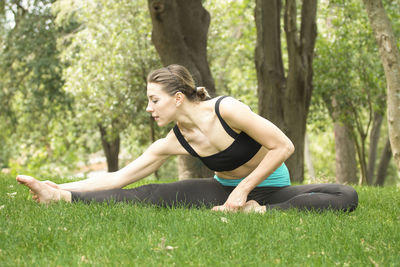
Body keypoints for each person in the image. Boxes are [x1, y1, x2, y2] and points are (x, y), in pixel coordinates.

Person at [16, 64, 358, 213]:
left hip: (271, 188)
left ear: (178, 97)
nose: (149, 108)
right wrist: (62, 188)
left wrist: (243, 192)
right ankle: (59, 200)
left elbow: (284, 145)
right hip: (221, 190)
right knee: (151, 194)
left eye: (154, 100)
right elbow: (119, 177)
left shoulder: (227, 110)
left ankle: (261, 212)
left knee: (344, 195)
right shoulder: (175, 139)